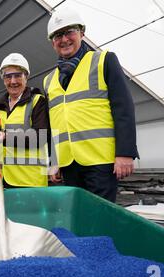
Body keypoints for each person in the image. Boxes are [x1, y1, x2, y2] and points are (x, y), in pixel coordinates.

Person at [43, 7, 138, 203]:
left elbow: (124, 108)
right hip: (68, 163)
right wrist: (55, 161)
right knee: (77, 213)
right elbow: (53, 125)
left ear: (82, 33)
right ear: (53, 43)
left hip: (100, 161)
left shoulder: (104, 61)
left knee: (100, 216)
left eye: (70, 31)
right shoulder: (49, 80)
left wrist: (125, 153)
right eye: (57, 35)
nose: (64, 39)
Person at [0, 53, 50, 187]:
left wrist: (4, 136)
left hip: (29, 180)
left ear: (26, 77)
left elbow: (40, 137)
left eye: (18, 75)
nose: (13, 81)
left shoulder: (37, 101)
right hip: (2, 178)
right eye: (8, 76)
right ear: (3, 79)